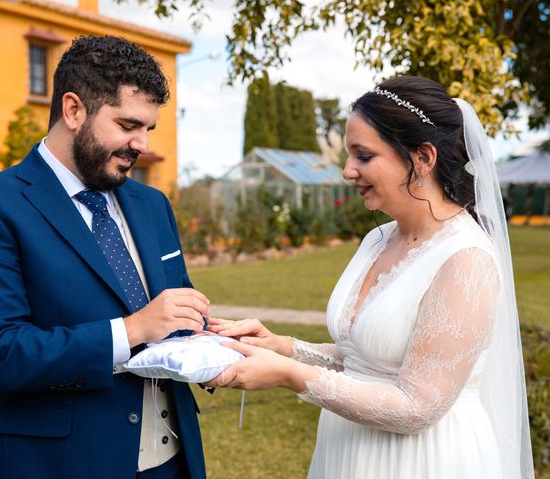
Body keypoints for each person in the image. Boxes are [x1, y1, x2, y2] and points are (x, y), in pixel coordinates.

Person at [205, 76, 534, 478]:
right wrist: (284, 347)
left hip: (424, 460)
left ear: (423, 158)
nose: (347, 171)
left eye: (363, 156)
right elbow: (364, 358)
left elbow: (419, 407)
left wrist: (290, 375)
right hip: (349, 450)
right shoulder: (377, 239)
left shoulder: (466, 259)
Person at [0, 35, 210, 478]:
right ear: (73, 110)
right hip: (62, 464)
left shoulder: (152, 204)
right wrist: (132, 329)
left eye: (148, 129)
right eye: (128, 125)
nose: (142, 144)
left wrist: (212, 339)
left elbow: (174, 307)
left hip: (173, 462)